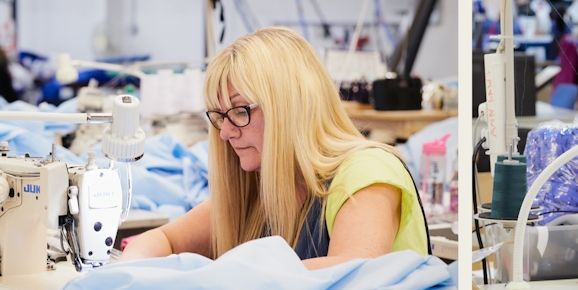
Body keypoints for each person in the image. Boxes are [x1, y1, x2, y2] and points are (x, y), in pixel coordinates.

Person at [120, 27, 428, 269]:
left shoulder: (367, 171)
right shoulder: (258, 187)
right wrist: (129, 272)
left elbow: (352, 272)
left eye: (240, 111)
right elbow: (161, 240)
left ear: (290, 107)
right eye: (219, 116)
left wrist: (223, 279)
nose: (225, 132)